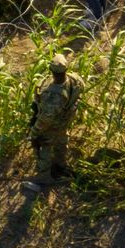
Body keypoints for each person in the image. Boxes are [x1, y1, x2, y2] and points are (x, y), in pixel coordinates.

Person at [26, 54, 82, 190]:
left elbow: (46, 119)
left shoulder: (54, 94)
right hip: (64, 121)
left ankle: (44, 177)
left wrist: (34, 133)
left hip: (52, 125)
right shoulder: (74, 79)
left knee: (43, 146)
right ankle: (61, 165)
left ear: (51, 70)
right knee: (62, 141)